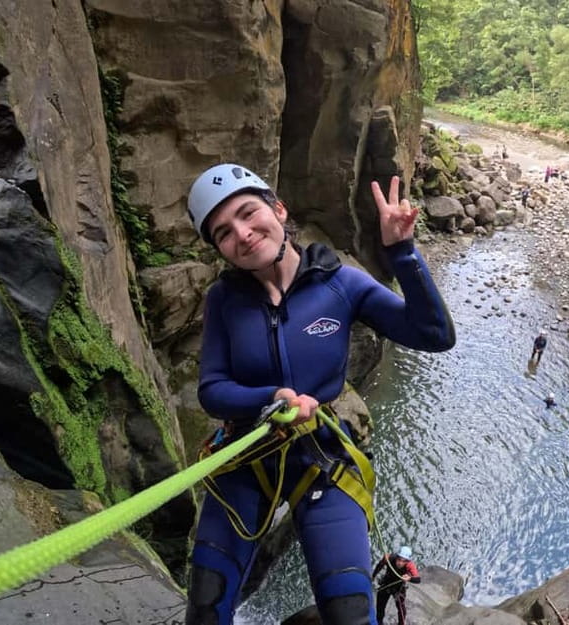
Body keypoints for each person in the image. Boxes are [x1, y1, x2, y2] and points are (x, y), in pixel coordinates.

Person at [184, 163, 456, 625]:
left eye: (249, 214)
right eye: (224, 233)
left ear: (279, 209)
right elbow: (212, 390)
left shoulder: (341, 284)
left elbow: (433, 334)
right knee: (206, 605)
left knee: (349, 611)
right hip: (247, 454)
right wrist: (271, 398)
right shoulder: (224, 300)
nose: (244, 234)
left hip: (322, 460)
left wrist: (403, 252)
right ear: (220, 250)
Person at [372, 546, 421, 625]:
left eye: (403, 561)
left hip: (398, 588)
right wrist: (373, 577)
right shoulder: (389, 558)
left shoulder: (409, 565)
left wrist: (409, 578)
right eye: (399, 559)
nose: (400, 563)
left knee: (401, 610)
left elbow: (418, 579)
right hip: (386, 584)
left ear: (407, 561)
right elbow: (379, 566)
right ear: (397, 557)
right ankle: (379, 622)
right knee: (380, 608)